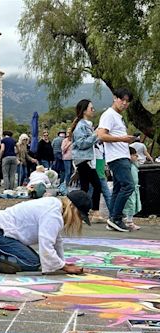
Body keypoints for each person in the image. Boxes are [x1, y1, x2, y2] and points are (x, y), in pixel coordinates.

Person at [0, 190, 89, 274]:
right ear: (72, 208)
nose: (78, 221)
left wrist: (62, 263)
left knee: (33, 259)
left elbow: (56, 240)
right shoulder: (53, 214)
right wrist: (64, 266)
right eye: (79, 216)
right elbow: (46, 244)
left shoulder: (55, 205)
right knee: (32, 262)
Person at [96, 88, 137, 232]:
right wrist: (122, 139)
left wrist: (126, 140)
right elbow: (101, 135)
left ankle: (112, 219)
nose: (124, 103)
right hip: (117, 157)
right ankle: (116, 218)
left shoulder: (117, 116)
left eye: (127, 101)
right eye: (122, 100)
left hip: (121, 155)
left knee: (119, 188)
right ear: (115, 98)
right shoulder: (109, 115)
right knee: (128, 186)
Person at [71, 99, 105, 223]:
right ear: (85, 110)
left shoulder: (85, 124)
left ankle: (79, 212)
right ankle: (93, 212)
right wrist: (96, 135)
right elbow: (81, 144)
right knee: (97, 185)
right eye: (91, 108)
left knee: (85, 187)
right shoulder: (81, 126)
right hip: (84, 160)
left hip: (85, 159)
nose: (93, 110)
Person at [123, 147, 142, 230]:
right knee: (130, 204)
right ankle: (129, 221)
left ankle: (128, 219)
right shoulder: (128, 166)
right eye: (134, 155)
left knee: (133, 204)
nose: (136, 156)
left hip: (135, 188)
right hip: (130, 188)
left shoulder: (134, 165)